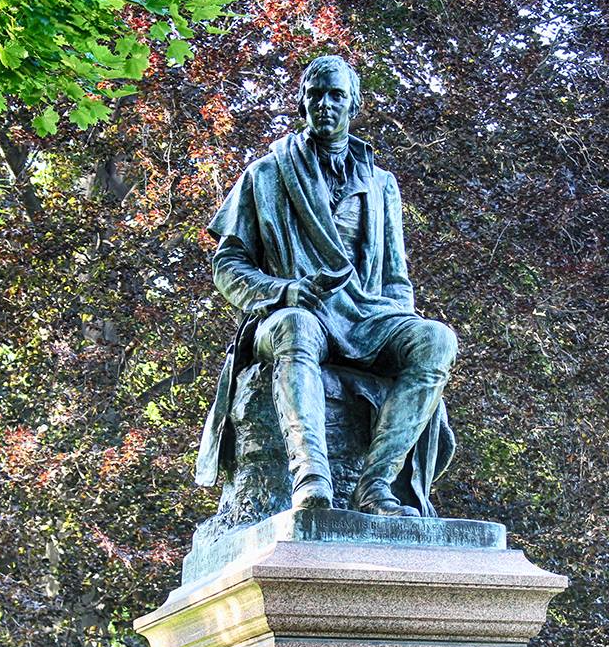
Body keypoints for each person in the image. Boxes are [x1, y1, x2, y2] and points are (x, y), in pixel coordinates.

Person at [195, 55, 457, 517]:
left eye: (336, 94)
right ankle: (311, 478)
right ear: (302, 104)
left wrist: (397, 319)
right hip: (292, 312)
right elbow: (228, 264)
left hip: (366, 315)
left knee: (436, 340)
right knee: (296, 327)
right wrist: (282, 292)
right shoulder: (267, 174)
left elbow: (396, 276)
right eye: (315, 94)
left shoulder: (381, 184)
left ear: (353, 103)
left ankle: (376, 487)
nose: (325, 104)